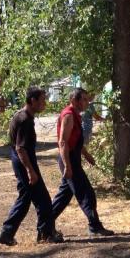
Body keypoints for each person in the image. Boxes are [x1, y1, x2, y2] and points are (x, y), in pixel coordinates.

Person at [0, 85, 62, 246]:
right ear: (33, 100)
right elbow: (20, 148)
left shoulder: (22, 115)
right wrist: (30, 171)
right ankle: (46, 234)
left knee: (25, 199)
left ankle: (6, 233)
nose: (45, 103)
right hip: (24, 162)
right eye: (42, 100)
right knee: (43, 199)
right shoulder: (25, 120)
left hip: (20, 161)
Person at [50, 88, 114, 238]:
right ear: (74, 100)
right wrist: (67, 166)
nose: (87, 102)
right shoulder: (68, 115)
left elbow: (76, 141)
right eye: (84, 99)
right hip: (69, 159)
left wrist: (86, 155)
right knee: (86, 194)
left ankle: (45, 224)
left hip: (73, 159)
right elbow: (63, 143)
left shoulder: (76, 115)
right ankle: (94, 227)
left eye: (87, 99)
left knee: (63, 197)